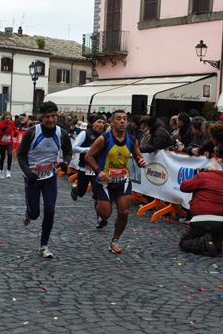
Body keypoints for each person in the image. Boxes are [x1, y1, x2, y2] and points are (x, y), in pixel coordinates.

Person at [85, 110, 147, 253]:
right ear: (112, 123)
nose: (122, 121)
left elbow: (139, 159)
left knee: (124, 212)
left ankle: (115, 240)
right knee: (105, 214)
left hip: (123, 180)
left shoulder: (132, 140)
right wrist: (99, 171)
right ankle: (98, 202)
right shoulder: (103, 139)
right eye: (118, 119)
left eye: (125, 119)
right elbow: (88, 156)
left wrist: (142, 162)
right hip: (105, 182)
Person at [17, 101, 73, 258]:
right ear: (41, 118)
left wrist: (65, 162)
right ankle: (28, 214)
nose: (51, 120)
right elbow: (20, 155)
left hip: (49, 177)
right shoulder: (32, 132)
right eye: (47, 117)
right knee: (35, 214)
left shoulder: (61, 133)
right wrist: (28, 172)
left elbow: (68, 152)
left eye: (53, 116)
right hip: (32, 178)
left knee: (50, 210)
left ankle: (44, 245)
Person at [178, 161, 223, 257]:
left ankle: (203, 243)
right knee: (216, 241)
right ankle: (215, 243)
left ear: (207, 170)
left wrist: (198, 176)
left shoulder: (203, 176)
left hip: (203, 218)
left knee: (184, 242)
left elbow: (184, 186)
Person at [70, 114, 106, 202]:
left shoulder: (104, 136)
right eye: (99, 122)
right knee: (81, 192)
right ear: (93, 123)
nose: (101, 125)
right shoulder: (85, 133)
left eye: (103, 123)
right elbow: (74, 148)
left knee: (98, 193)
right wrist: (90, 150)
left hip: (97, 168)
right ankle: (75, 190)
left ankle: (100, 215)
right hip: (84, 167)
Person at [0, 111, 16, 179]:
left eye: (9, 118)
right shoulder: (0, 124)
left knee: (10, 154)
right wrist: (2, 130)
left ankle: (8, 171)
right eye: (7, 118)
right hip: (2, 143)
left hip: (9, 142)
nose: (8, 119)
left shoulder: (12, 123)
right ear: (4, 118)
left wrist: (16, 132)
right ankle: (1, 170)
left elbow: (15, 128)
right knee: (2, 157)